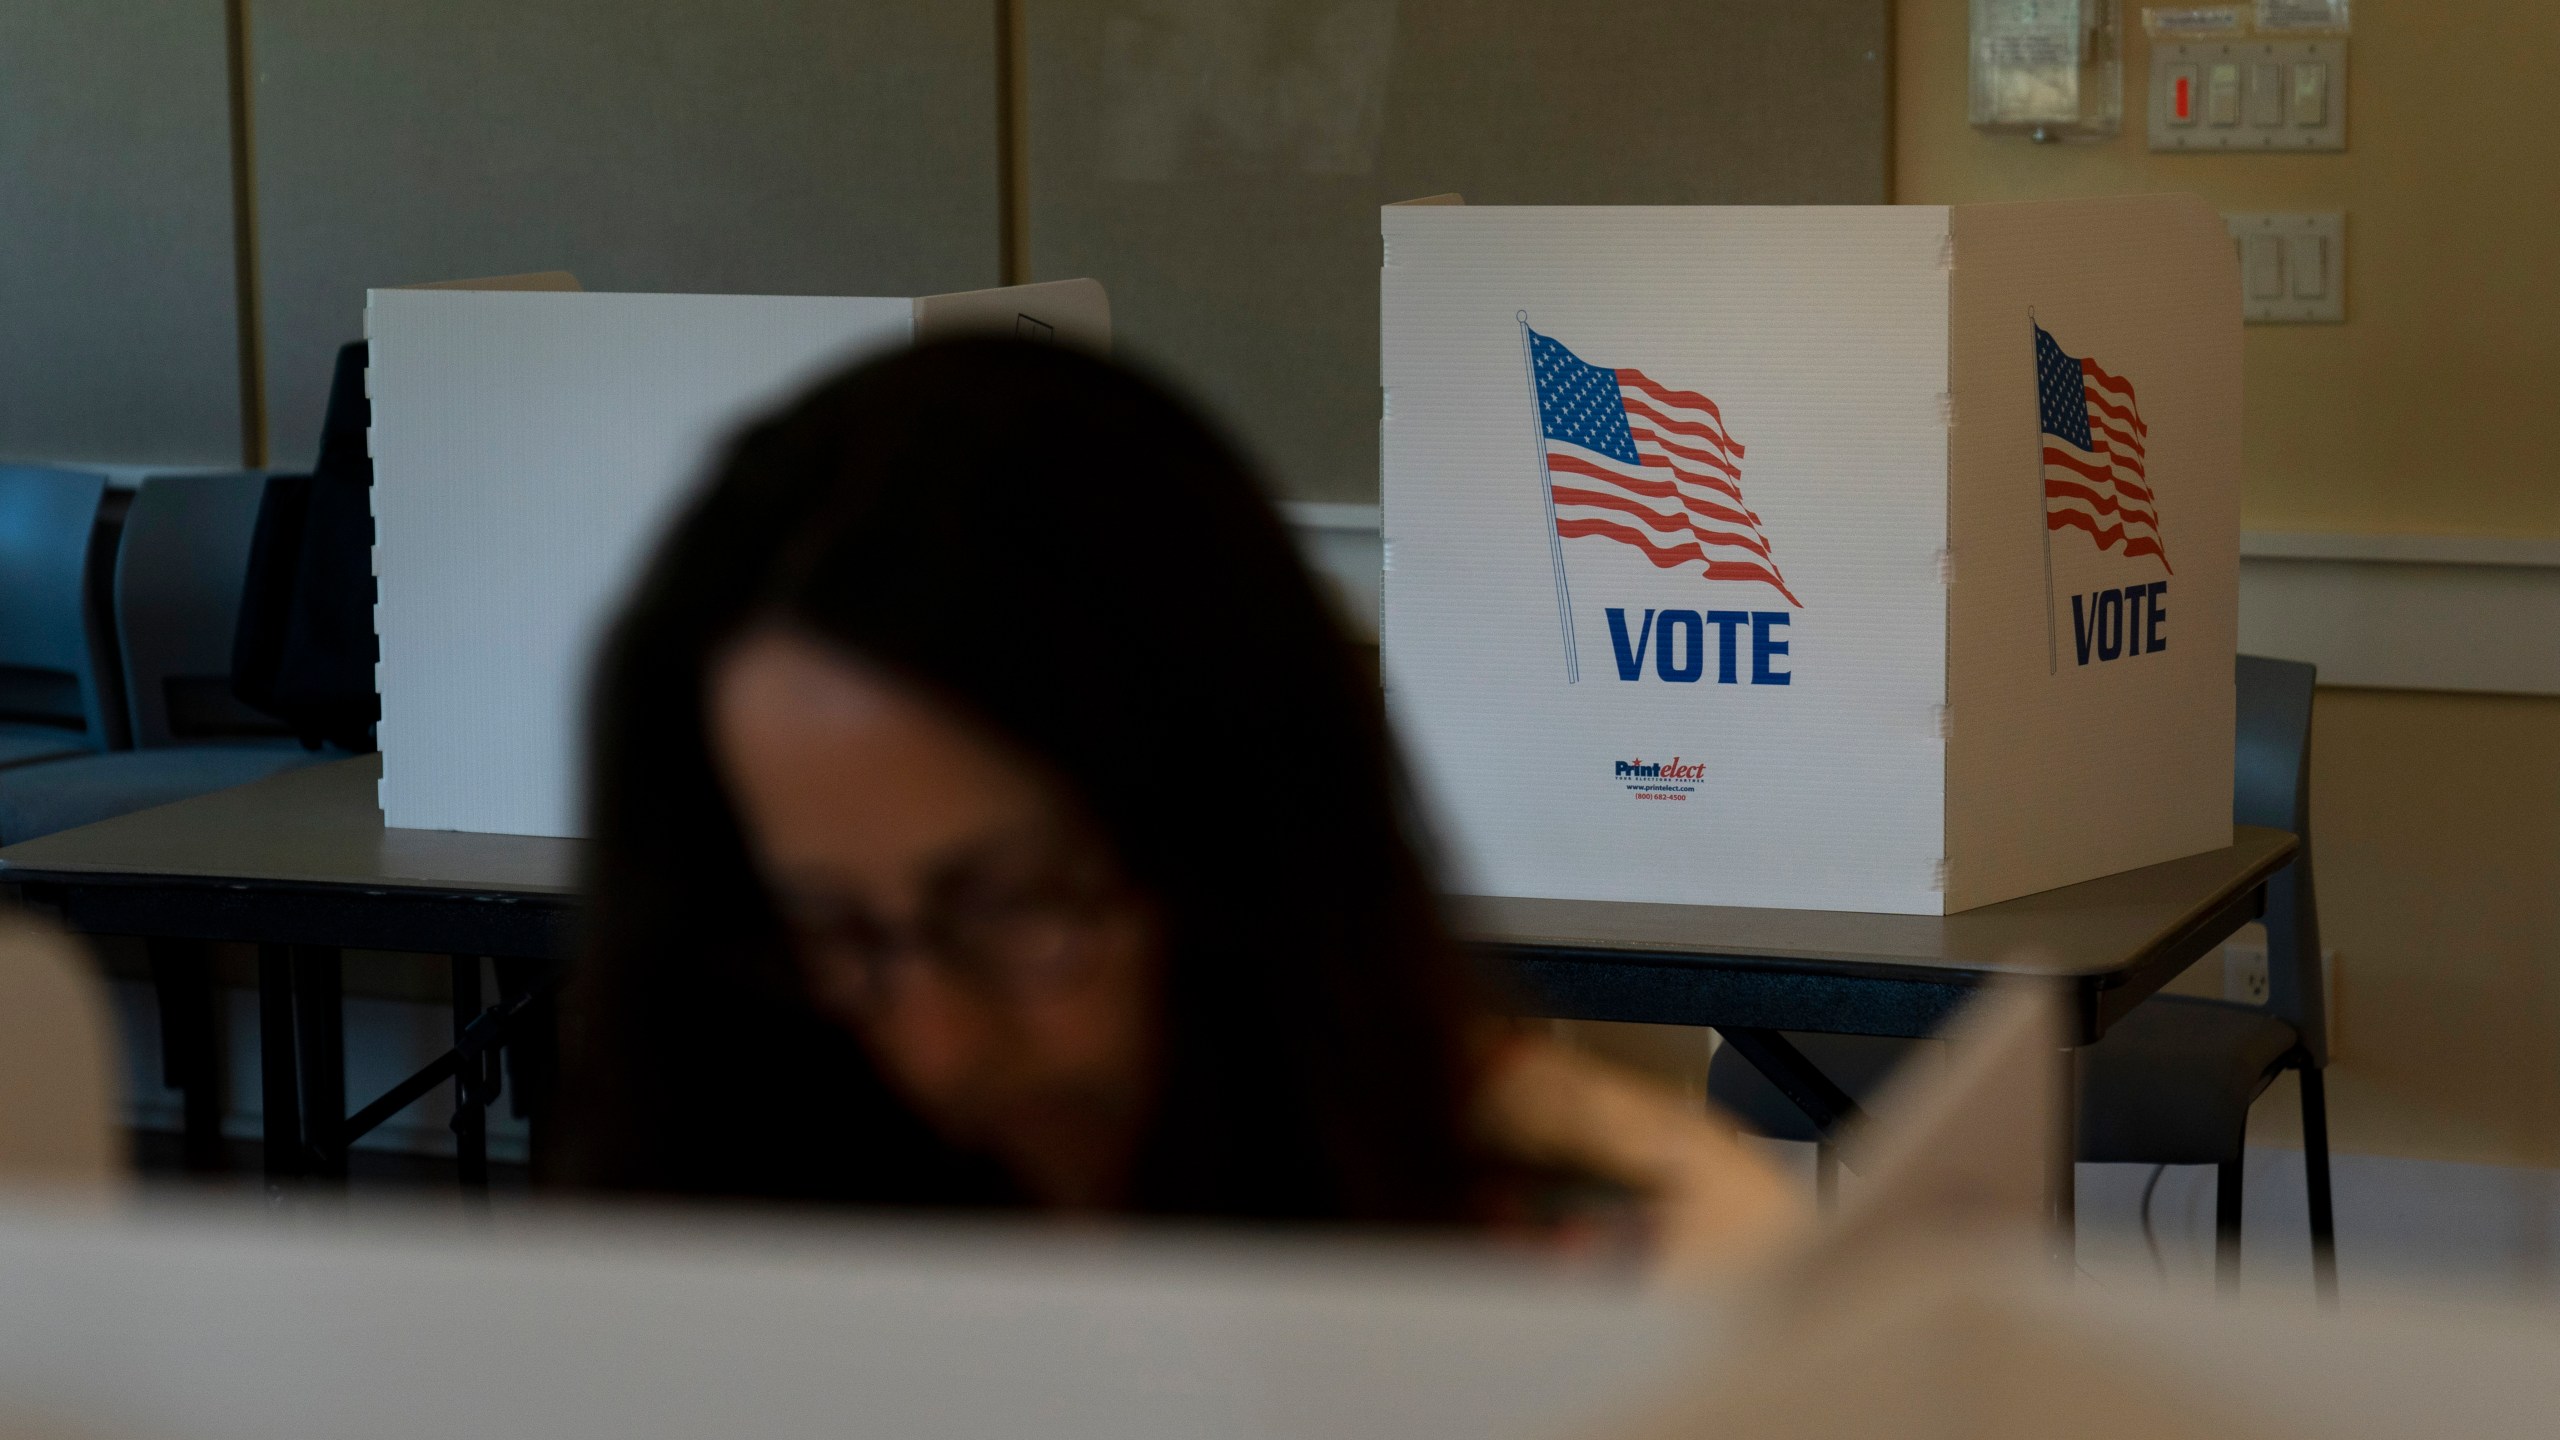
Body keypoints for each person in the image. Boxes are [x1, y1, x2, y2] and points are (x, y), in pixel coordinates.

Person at [565, 337, 1799, 1276]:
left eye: (1017, 909)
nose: (937, 1048)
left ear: (1242, 850)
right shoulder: (708, 1223)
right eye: (830, 934)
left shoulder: (1631, 1254)